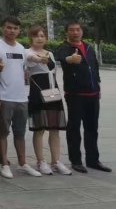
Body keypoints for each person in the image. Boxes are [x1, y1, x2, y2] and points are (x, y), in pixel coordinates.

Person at [56, 21, 111, 173]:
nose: (75, 32)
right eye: (71, 30)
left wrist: (98, 86)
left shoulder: (88, 47)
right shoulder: (64, 48)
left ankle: (93, 160)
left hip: (93, 94)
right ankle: (76, 161)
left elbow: (95, 67)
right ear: (67, 32)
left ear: (82, 31)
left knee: (92, 128)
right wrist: (70, 59)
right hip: (75, 95)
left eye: (77, 29)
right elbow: (61, 58)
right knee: (74, 128)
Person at [0, 16, 41, 178]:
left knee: (20, 133)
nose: (12, 31)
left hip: (21, 98)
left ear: (19, 31)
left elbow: (25, 68)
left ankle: (23, 163)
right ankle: (4, 164)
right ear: (3, 28)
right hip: (5, 97)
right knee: (2, 133)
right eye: (9, 27)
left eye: (15, 28)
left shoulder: (21, 48)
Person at [25, 25, 71, 175]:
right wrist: (40, 59)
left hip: (52, 92)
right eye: (36, 36)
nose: (39, 38)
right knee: (39, 129)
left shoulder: (50, 53)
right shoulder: (27, 52)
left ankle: (56, 161)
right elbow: (32, 59)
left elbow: (52, 69)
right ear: (30, 38)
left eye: (42, 36)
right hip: (38, 93)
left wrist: (46, 59)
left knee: (55, 128)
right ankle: (41, 161)